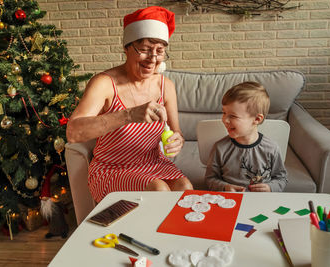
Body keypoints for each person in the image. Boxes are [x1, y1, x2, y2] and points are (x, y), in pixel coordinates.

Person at [66, 6, 193, 203]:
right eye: (144, 50)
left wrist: (177, 141)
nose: (153, 59)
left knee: (186, 188)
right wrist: (129, 115)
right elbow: (73, 132)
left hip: (153, 163)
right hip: (112, 168)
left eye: (160, 51)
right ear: (126, 47)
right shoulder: (104, 83)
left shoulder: (165, 86)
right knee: (158, 190)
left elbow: (177, 133)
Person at [205, 81, 288, 192]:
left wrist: (270, 187)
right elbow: (210, 179)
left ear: (257, 119)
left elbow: (281, 178)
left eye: (233, 116)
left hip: (260, 202)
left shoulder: (271, 149)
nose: (225, 120)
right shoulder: (220, 148)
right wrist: (224, 187)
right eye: (224, 113)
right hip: (230, 202)